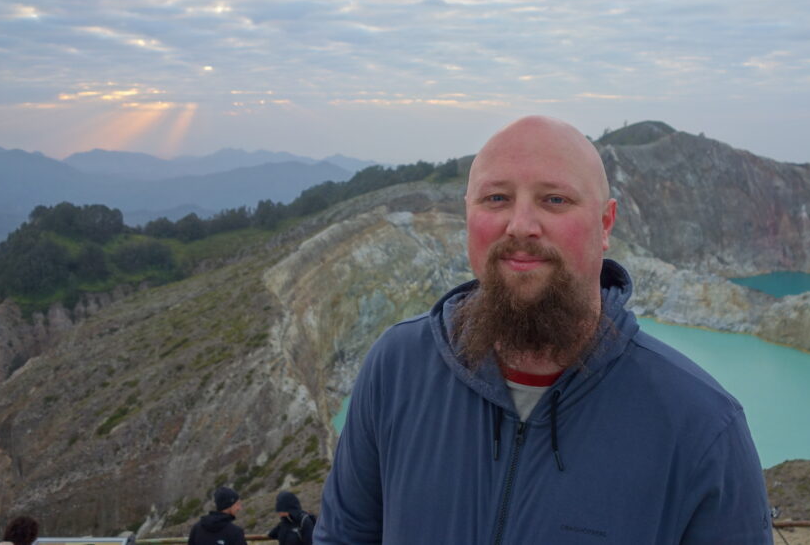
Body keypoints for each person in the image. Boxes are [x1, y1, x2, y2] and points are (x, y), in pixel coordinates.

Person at [314, 116, 773, 544]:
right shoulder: (396, 369)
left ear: (605, 223)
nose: (520, 226)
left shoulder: (702, 426)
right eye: (496, 198)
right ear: (468, 215)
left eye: (555, 200)